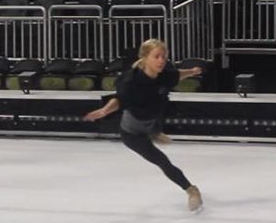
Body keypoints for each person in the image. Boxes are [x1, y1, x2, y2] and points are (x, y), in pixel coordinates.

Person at [83, 39, 205, 212]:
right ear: (145, 58)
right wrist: (105, 111)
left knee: (159, 104)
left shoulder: (165, 74)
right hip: (133, 133)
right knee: (162, 160)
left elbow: (177, 75)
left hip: (154, 118)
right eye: (157, 56)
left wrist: (192, 71)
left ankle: (156, 132)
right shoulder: (131, 81)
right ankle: (191, 190)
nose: (162, 60)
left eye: (164, 56)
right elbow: (120, 100)